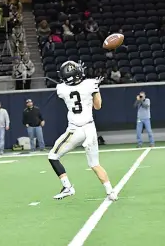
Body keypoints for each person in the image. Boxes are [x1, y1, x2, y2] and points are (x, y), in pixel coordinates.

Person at [48, 60, 117, 201]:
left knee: (53, 156)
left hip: (75, 130)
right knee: (95, 164)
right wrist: (96, 90)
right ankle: (111, 192)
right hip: (90, 128)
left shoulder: (61, 89)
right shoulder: (90, 84)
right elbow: (97, 106)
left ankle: (67, 187)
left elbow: (70, 87)